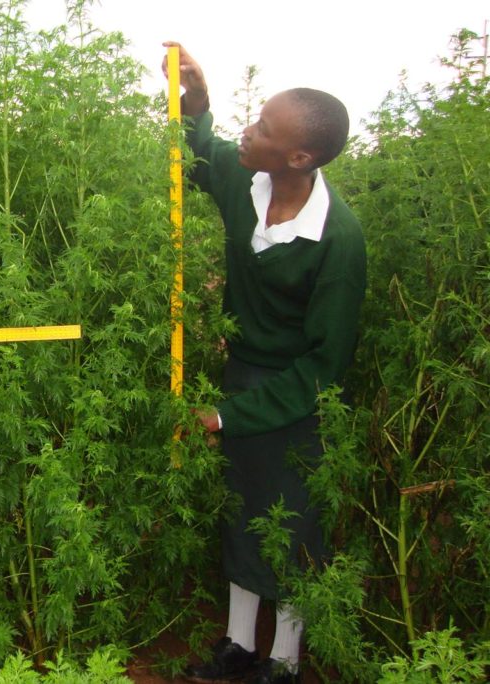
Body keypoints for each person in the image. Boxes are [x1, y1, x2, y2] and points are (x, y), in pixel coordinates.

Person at [162, 43, 366, 684]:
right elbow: (202, 156)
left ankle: (284, 661)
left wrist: (225, 415)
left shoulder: (336, 239)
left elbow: (323, 366)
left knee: (293, 520)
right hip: (242, 375)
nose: (247, 134)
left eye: (263, 131)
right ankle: (236, 646)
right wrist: (195, 99)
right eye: (252, 121)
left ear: (300, 157)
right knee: (241, 509)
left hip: (298, 399)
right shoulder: (248, 182)